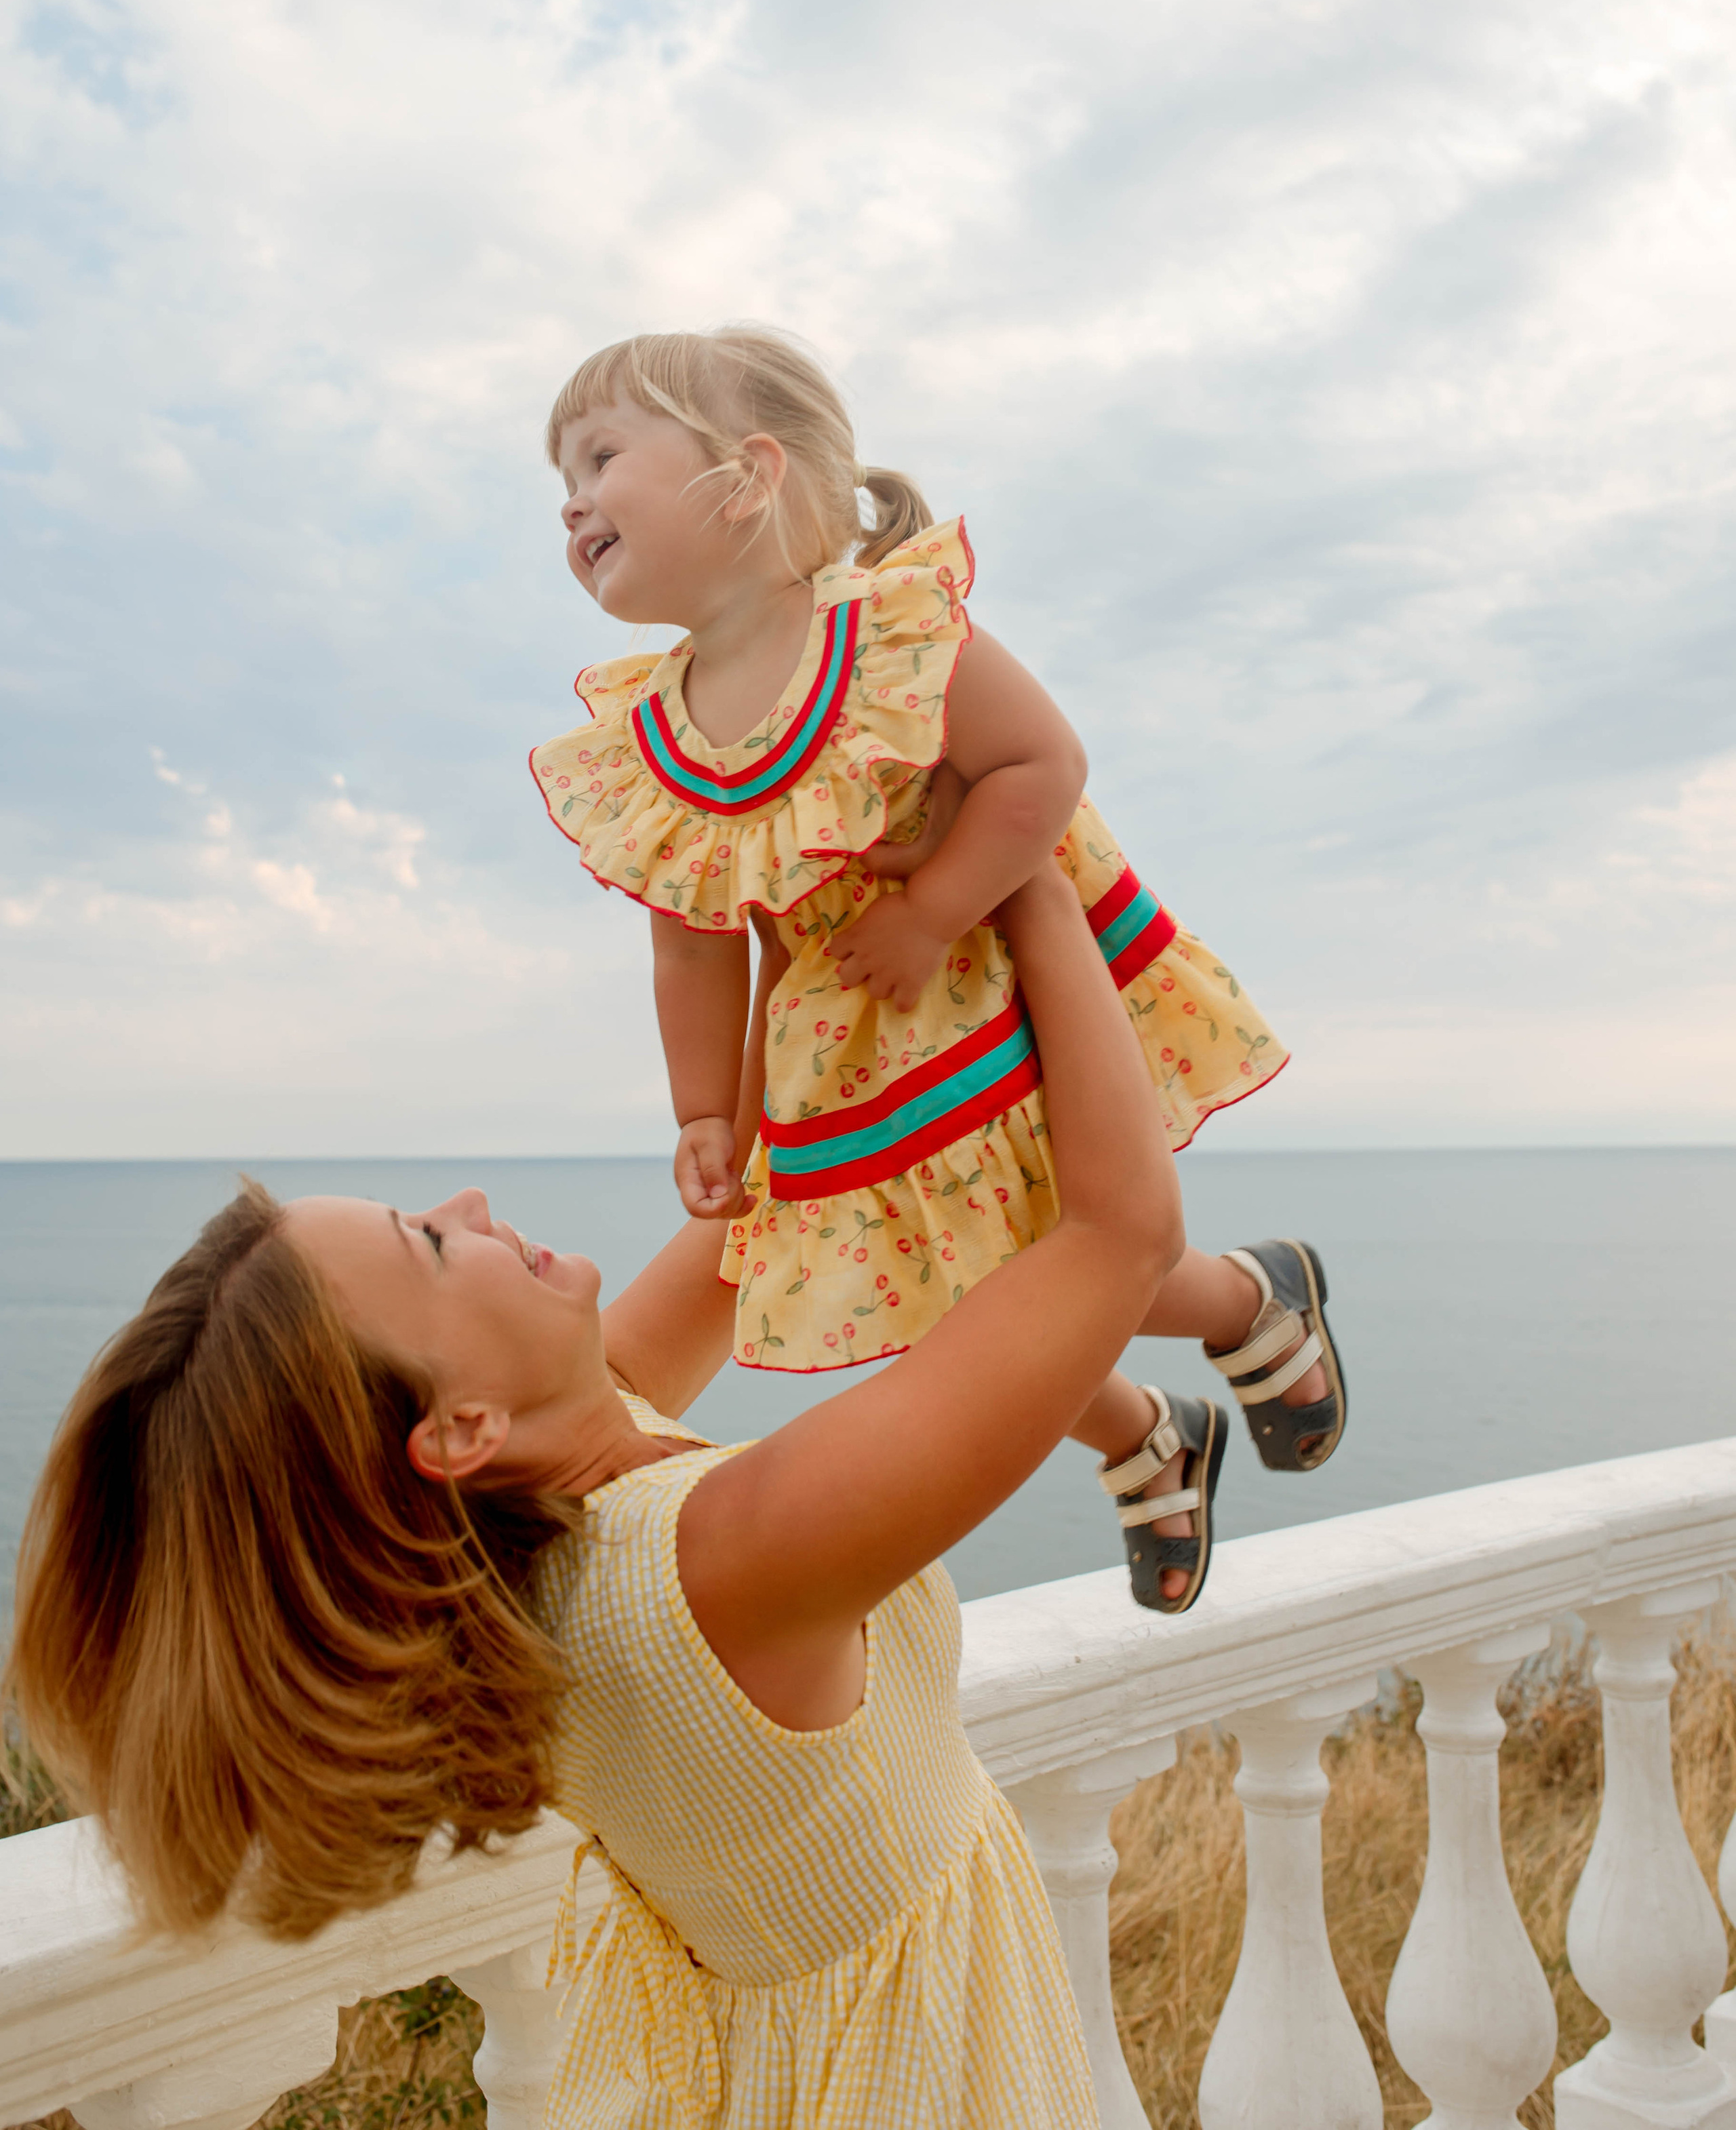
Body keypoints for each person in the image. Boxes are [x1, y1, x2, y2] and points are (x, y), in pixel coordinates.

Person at [18, 863, 1193, 2127]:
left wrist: (796, 912)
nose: (470, 1204)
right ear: (460, 1426)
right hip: (910, 2081)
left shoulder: (536, 1524)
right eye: (429, 1241)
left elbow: (776, 1205)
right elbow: (1122, 1235)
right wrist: (1027, 887)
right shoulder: (720, 1565)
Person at [530, 325, 1347, 1611]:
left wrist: (933, 912)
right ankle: (1152, 1433)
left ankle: (1247, 1301)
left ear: (744, 473)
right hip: (845, 1055)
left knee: (1037, 1267)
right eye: (558, 482)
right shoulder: (656, 730)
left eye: (600, 454)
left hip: (994, 996)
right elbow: (690, 940)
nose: (571, 500)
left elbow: (1041, 767)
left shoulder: (885, 632)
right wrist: (704, 1111)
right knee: (947, 1302)